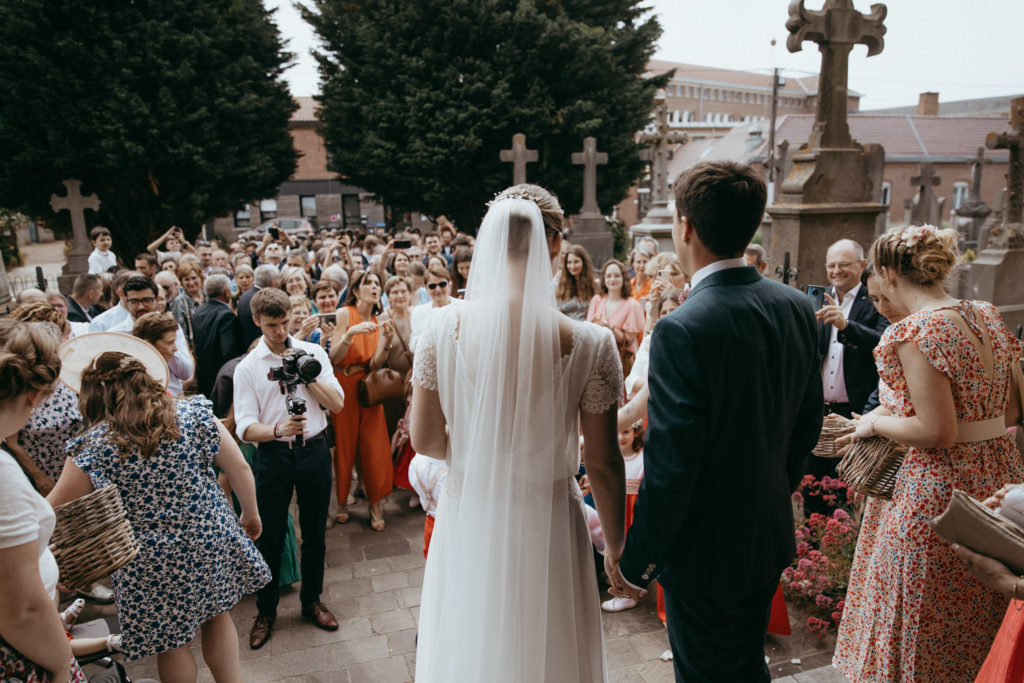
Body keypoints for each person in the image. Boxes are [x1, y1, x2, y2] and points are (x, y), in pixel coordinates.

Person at [611, 161, 823, 681]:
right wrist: (772, 488)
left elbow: (672, 465)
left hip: (705, 553)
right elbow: (807, 422)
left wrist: (637, 561)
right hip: (765, 534)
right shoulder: (796, 306)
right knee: (746, 663)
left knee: (707, 671)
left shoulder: (683, 327)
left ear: (684, 227)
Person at [411, 184, 627, 682]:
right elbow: (602, 462)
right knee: (550, 649)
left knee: (473, 643)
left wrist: (477, 452)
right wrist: (616, 547)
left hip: (471, 513)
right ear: (555, 245)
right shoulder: (592, 344)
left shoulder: (441, 328)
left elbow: (423, 439)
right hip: (549, 520)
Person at [832, 224, 1024, 682]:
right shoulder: (985, 314)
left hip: (940, 493)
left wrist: (875, 421)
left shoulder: (914, 331)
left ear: (884, 272)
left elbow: (936, 431)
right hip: (999, 478)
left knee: (922, 614)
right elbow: (1014, 405)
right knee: (982, 612)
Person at [49, 345, 270, 681]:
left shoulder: (93, 446)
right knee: (217, 616)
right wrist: (250, 515)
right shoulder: (194, 413)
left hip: (146, 558)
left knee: (171, 643)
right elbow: (239, 467)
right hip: (207, 536)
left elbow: (54, 506)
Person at [233, 288, 344, 650]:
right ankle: (266, 611)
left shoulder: (312, 353)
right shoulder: (248, 367)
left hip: (313, 451)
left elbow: (338, 404)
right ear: (257, 321)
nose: (280, 332)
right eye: (271, 325)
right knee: (271, 535)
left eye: (284, 323)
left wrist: (308, 376)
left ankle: (312, 601)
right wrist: (278, 429)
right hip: (274, 456)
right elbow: (245, 427)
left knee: (315, 533)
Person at [0, 320, 85, 683]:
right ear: (35, 395)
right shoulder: (4, 478)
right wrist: (60, 666)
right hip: (22, 656)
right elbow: (22, 610)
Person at [807, 238, 889, 514]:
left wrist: (846, 326)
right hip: (817, 413)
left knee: (844, 496)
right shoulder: (816, 299)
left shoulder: (874, 299)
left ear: (862, 265)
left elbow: (883, 344)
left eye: (844, 264)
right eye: (831, 265)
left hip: (854, 412)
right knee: (811, 490)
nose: (836, 270)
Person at [329, 270, 394, 530]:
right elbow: (334, 356)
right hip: (344, 385)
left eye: (377, 284)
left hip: (369, 389)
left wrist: (387, 343)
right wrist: (350, 334)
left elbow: (375, 363)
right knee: (345, 445)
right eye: (368, 283)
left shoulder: (378, 320)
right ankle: (343, 502)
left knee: (374, 445)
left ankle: (375, 503)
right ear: (356, 290)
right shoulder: (345, 314)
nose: (374, 287)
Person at [109, 275, 194, 396]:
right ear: (126, 302)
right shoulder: (117, 334)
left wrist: (165, 347)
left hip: (172, 399)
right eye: (134, 301)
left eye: (146, 300)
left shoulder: (170, 327)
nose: (141, 306)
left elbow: (186, 373)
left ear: (157, 300)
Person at [587, 259, 645, 377]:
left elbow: (629, 340)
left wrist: (610, 328)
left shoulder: (632, 305)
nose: (612, 279)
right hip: (598, 358)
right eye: (608, 276)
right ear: (603, 279)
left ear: (624, 278)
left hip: (622, 361)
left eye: (617, 276)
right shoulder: (596, 300)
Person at [191, 274, 242, 399]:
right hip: (220, 377)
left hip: (203, 374)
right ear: (226, 292)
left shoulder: (199, 310)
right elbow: (229, 351)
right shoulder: (226, 316)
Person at [410, 263, 462, 351]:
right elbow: (413, 345)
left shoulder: (462, 306)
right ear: (426, 288)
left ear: (449, 284)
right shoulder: (418, 312)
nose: (437, 289)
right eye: (432, 286)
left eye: (442, 284)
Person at [555, 244, 597, 321]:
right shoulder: (559, 285)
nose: (572, 266)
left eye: (576, 262)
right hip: (565, 328)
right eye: (569, 262)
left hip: (588, 327)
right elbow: (557, 311)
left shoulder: (594, 285)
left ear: (584, 262)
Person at [172, 262, 206, 349]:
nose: (191, 283)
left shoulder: (209, 296)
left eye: (194, 278)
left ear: (200, 278)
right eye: (186, 279)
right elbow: (181, 333)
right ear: (181, 282)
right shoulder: (179, 302)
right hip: (195, 348)